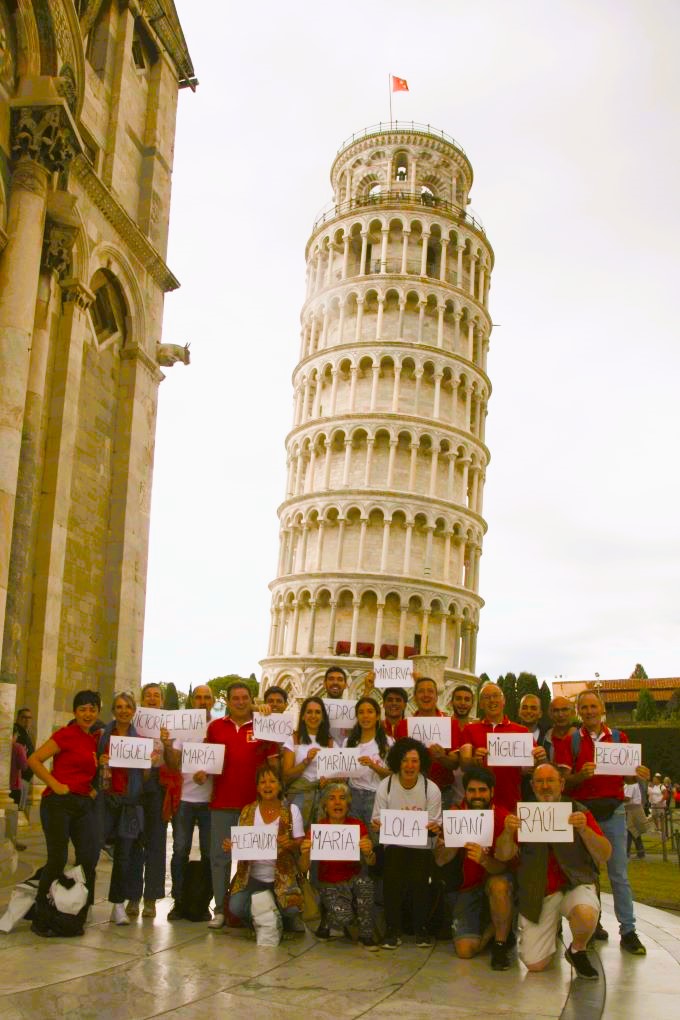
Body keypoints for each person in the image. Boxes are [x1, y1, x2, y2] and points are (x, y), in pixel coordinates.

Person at [555, 690, 650, 955]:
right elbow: (564, 782)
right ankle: (593, 924)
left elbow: (626, 778)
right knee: (587, 873)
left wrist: (637, 775)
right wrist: (580, 776)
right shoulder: (571, 741)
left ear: (601, 708)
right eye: (583, 707)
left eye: (592, 706)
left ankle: (628, 930)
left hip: (613, 809)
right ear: (579, 712)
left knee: (618, 873)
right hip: (583, 811)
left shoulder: (619, 738)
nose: (588, 711)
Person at [496, 763, 612, 980]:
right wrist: (507, 832)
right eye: (539, 781)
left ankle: (578, 949)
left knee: (585, 914)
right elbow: (503, 855)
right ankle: (550, 928)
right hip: (539, 891)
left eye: (551, 780)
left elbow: (604, 854)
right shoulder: (523, 813)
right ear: (531, 785)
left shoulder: (577, 810)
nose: (545, 786)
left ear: (562, 784)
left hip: (574, 883)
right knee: (535, 964)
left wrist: (584, 830)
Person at [26, 690, 101, 937]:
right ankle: (41, 915)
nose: (87, 714)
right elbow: (34, 759)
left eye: (92, 709)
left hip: (82, 805)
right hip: (58, 803)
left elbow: (85, 773)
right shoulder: (65, 735)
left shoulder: (93, 741)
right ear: (75, 712)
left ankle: (75, 914)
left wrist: (90, 789)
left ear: (97, 712)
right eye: (83, 709)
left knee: (88, 859)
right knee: (57, 859)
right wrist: (55, 784)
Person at [205, 682, 279, 929]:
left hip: (253, 806)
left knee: (253, 859)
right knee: (220, 857)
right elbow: (207, 761)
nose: (240, 702)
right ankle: (220, 909)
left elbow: (274, 764)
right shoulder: (215, 727)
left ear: (251, 699)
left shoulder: (263, 724)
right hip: (223, 802)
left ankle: (246, 907)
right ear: (227, 701)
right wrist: (201, 773)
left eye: (244, 697)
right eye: (235, 698)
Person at [435, 766, 515, 970]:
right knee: (465, 951)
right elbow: (439, 861)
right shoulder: (455, 816)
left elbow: (503, 867)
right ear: (466, 792)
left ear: (492, 792)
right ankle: (497, 926)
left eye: (482, 790)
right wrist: (452, 844)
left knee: (498, 885)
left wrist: (485, 860)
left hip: (495, 882)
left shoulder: (502, 816)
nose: (477, 795)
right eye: (472, 791)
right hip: (466, 889)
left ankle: (500, 944)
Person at [372, 737, 442, 949]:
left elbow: (435, 824)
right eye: (404, 761)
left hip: (421, 848)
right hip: (394, 847)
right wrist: (378, 826)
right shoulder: (386, 786)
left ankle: (421, 928)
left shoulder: (431, 789)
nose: (409, 766)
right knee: (392, 874)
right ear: (396, 762)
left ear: (421, 763)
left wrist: (433, 829)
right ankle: (393, 929)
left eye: (414, 761)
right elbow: (377, 818)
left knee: (420, 880)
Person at [225, 763, 305, 932]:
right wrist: (231, 846)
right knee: (236, 908)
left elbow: (300, 845)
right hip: (252, 878)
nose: (267, 786)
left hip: (283, 878)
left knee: (291, 910)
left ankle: (276, 915)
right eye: (262, 782)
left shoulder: (291, 810)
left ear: (280, 785)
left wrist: (290, 844)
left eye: (272, 781)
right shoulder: (247, 811)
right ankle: (265, 917)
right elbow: (242, 846)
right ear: (257, 787)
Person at [299, 781, 377, 948]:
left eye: (342, 798)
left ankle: (366, 935)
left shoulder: (357, 826)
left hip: (352, 880)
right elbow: (303, 868)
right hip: (328, 883)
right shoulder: (318, 829)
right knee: (344, 918)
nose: (337, 802)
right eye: (332, 798)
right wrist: (305, 853)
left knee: (366, 883)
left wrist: (369, 852)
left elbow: (371, 862)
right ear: (325, 805)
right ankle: (328, 919)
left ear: (348, 805)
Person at [165, 684, 215, 920]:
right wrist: (168, 745)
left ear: (213, 702)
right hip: (184, 798)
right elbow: (174, 763)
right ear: (192, 701)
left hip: (209, 801)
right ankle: (179, 900)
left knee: (208, 853)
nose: (203, 701)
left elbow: (224, 760)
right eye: (199, 697)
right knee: (180, 850)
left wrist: (208, 772)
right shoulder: (183, 726)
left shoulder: (217, 727)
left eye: (207, 698)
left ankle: (203, 902)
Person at [96, 692, 146, 925]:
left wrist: (149, 762)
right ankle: (80, 902)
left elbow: (145, 775)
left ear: (134, 710)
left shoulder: (140, 739)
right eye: (119, 706)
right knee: (91, 851)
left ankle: (117, 904)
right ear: (113, 711)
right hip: (105, 800)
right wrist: (100, 762)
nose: (124, 710)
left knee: (124, 855)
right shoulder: (103, 736)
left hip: (128, 802)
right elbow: (92, 764)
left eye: (128, 707)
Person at [460, 682, 546, 812]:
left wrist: (540, 757)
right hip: (478, 802)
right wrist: (474, 760)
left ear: (504, 700)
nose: (492, 700)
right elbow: (464, 765)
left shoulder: (522, 731)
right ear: (481, 704)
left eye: (496, 696)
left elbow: (534, 768)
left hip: (511, 801)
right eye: (486, 697)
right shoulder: (470, 729)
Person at [124, 682, 168, 919]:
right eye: (148, 695)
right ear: (142, 700)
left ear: (162, 700)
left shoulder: (169, 726)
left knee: (156, 842)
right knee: (132, 841)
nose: (152, 699)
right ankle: (132, 895)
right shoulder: (132, 725)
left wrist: (167, 744)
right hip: (134, 785)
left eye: (156, 696)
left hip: (158, 786)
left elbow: (174, 760)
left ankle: (150, 898)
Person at [395, 677, 460, 806]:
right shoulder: (403, 725)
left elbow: (455, 764)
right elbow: (397, 762)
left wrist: (442, 757)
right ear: (414, 697)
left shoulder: (450, 724)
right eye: (421, 691)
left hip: (443, 792)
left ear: (436, 696)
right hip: (409, 793)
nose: (426, 695)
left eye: (430, 691)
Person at [282, 696, 334, 826]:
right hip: (299, 795)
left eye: (317, 712)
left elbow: (340, 773)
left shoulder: (330, 741)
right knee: (296, 834)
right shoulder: (293, 739)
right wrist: (306, 761)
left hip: (323, 796)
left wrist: (329, 779)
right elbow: (286, 776)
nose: (313, 716)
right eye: (309, 712)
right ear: (303, 716)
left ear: (323, 717)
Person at [344, 696, 393, 833]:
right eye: (361, 712)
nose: (365, 716)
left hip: (376, 797)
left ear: (377, 716)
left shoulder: (388, 743)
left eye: (370, 711)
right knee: (356, 840)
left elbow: (392, 776)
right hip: (352, 797)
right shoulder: (348, 743)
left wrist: (373, 766)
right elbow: (343, 774)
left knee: (376, 841)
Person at [449, 685, 476, 807]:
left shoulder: (477, 729)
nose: (462, 703)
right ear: (451, 701)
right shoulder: (442, 726)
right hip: (445, 791)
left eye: (467, 699)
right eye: (458, 698)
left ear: (472, 704)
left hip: (470, 794)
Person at [12, 707, 35, 816]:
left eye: (29, 718)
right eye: (24, 717)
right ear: (18, 718)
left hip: (25, 777)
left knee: (20, 808)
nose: (27, 720)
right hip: (19, 777)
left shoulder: (25, 732)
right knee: (17, 809)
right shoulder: (15, 731)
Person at [323, 665, 355, 744]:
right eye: (331, 679)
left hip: (345, 755)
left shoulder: (351, 710)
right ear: (324, 684)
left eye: (340, 680)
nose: (335, 682)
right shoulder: (315, 709)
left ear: (345, 685)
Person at [623, 780, 647, 859]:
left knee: (630, 831)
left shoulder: (631, 784)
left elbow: (627, 798)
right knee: (634, 832)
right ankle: (640, 852)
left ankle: (627, 853)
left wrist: (616, 797)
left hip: (632, 809)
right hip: (632, 809)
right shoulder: (630, 784)